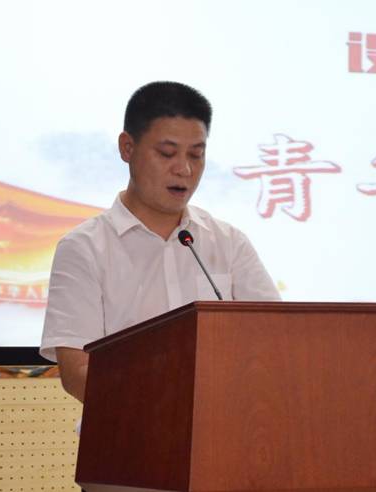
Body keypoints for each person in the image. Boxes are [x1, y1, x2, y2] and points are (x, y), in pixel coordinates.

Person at [40, 81, 280, 403]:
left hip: (221, 426)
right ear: (127, 148)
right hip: (127, 430)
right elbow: (78, 372)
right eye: (167, 153)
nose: (184, 169)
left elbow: (276, 341)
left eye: (196, 155)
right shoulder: (84, 248)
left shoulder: (229, 243)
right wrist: (169, 403)